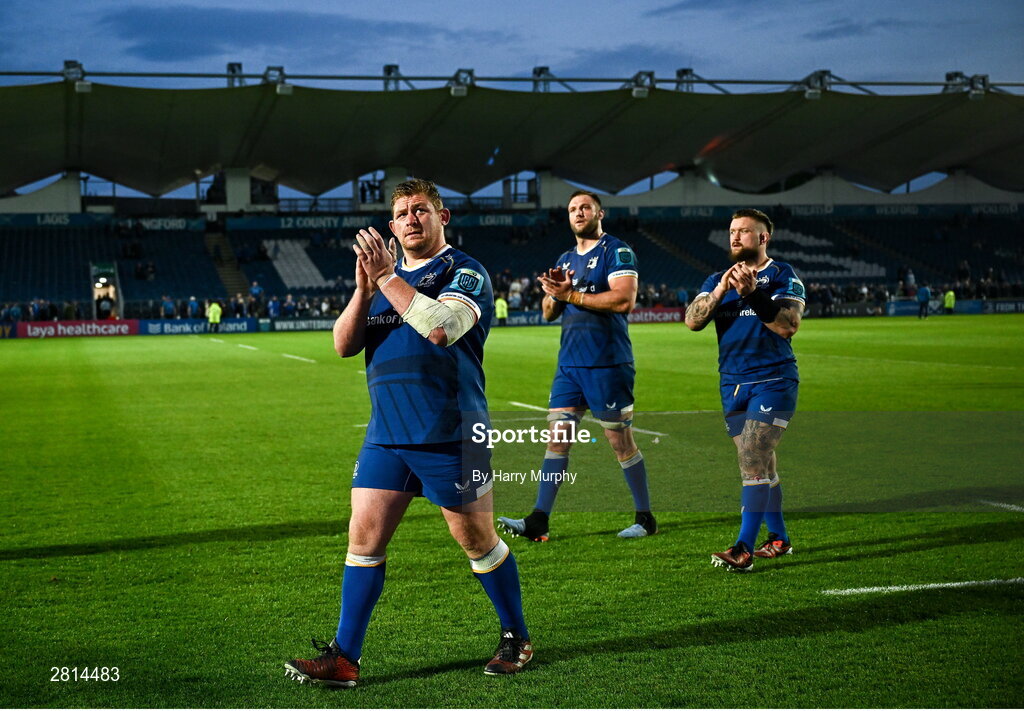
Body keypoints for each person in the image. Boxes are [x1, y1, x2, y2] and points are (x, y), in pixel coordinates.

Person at [285, 178, 532, 688]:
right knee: (364, 539)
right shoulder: (380, 281)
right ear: (392, 226)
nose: (411, 218)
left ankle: (516, 636)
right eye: (402, 213)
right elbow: (342, 345)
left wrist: (388, 278)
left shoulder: (465, 272)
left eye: (421, 209)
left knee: (477, 541)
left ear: (443, 217)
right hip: (387, 435)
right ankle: (344, 657)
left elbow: (442, 327)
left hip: (451, 432)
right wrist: (362, 289)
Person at [497, 190, 655, 542]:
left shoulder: (617, 250)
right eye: (572, 209)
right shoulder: (566, 258)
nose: (578, 213)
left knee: (620, 443)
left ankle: (645, 518)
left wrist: (571, 295)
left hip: (607, 363)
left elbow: (625, 299)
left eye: (585, 207)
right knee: (557, 440)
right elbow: (548, 312)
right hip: (569, 365)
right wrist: (555, 292)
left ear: (600, 213)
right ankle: (539, 519)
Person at [684, 208, 805, 572]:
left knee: (751, 459)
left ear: (763, 238)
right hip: (732, 384)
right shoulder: (714, 280)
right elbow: (692, 321)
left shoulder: (781, 275)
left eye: (744, 232)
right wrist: (722, 289)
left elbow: (788, 325)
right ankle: (779, 538)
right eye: (732, 231)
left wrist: (752, 294)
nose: (735, 237)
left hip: (774, 380)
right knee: (762, 463)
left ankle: (742, 549)